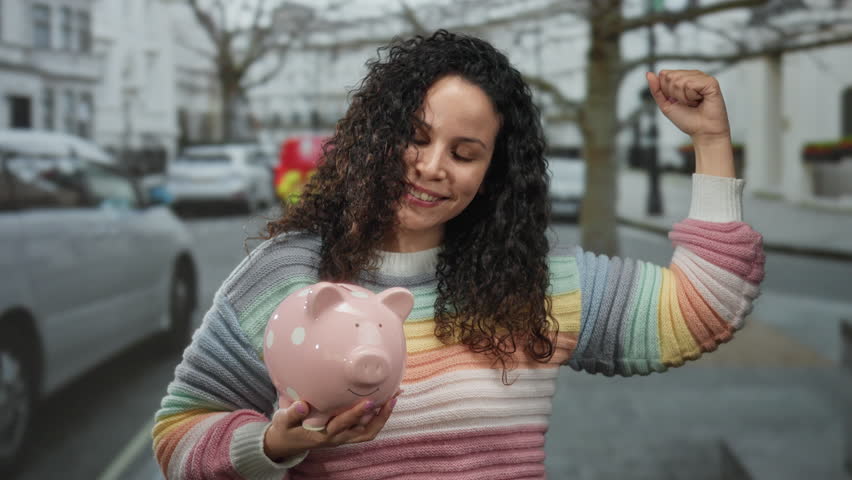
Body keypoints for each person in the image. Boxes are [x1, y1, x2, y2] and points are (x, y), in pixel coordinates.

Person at [152, 30, 764, 479]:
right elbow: (179, 437)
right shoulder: (284, 278)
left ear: (492, 172)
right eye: (414, 137)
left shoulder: (537, 282)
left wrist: (710, 141)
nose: (431, 166)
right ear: (374, 135)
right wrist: (274, 444)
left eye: (464, 152)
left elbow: (703, 308)